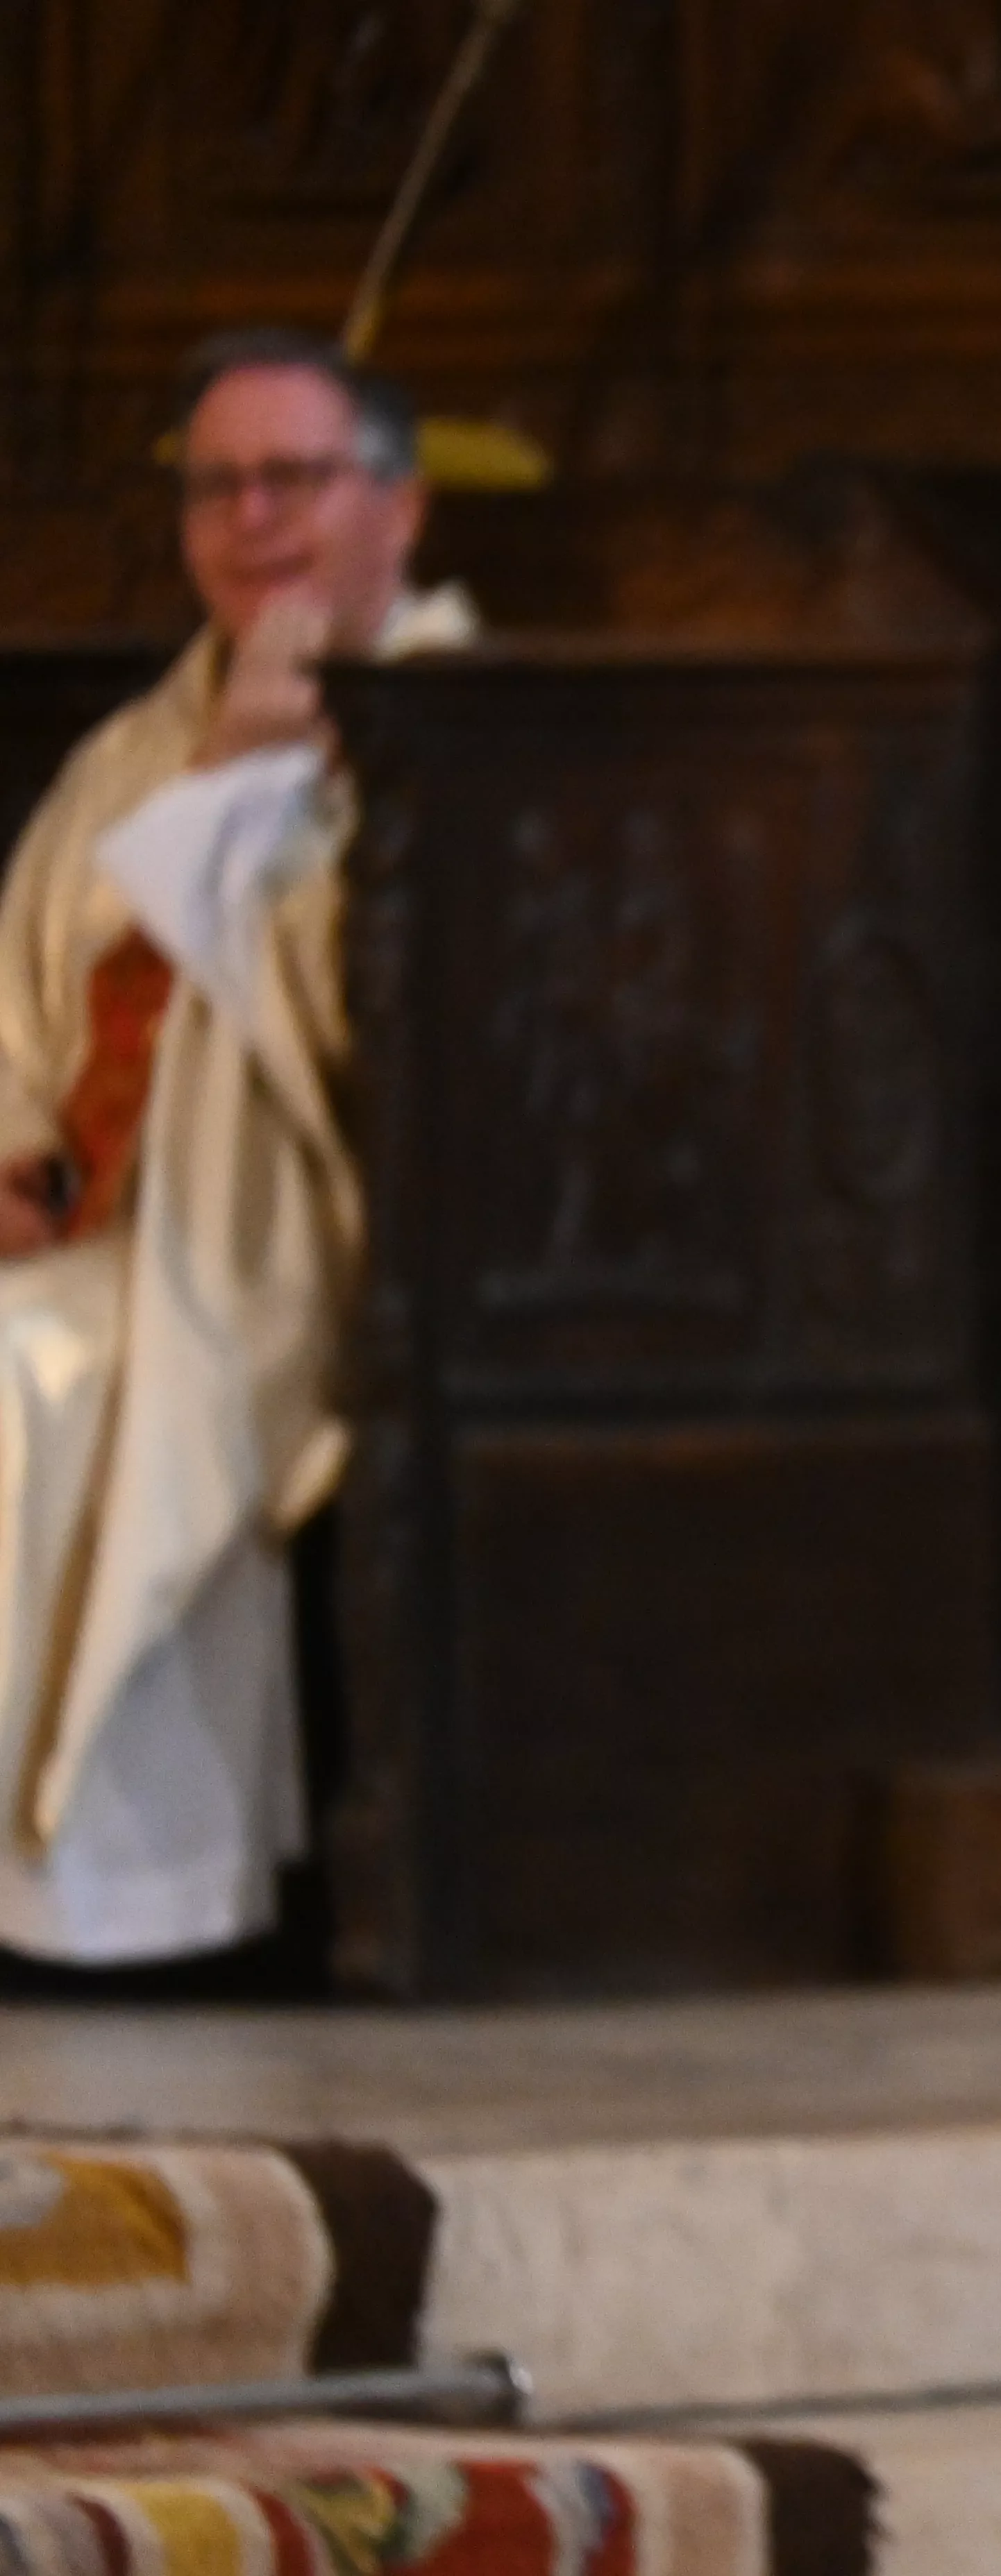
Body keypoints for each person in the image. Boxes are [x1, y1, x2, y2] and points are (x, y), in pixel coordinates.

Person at [0, 329, 473, 1968]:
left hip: (278, 1236)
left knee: (17, 1374)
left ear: (398, 511)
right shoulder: (131, 749)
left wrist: (264, 780)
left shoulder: (459, 727)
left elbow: (358, 1028)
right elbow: (22, 1004)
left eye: (295, 478)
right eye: (217, 484)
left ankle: (112, 1891)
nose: (253, 517)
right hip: (98, 1228)